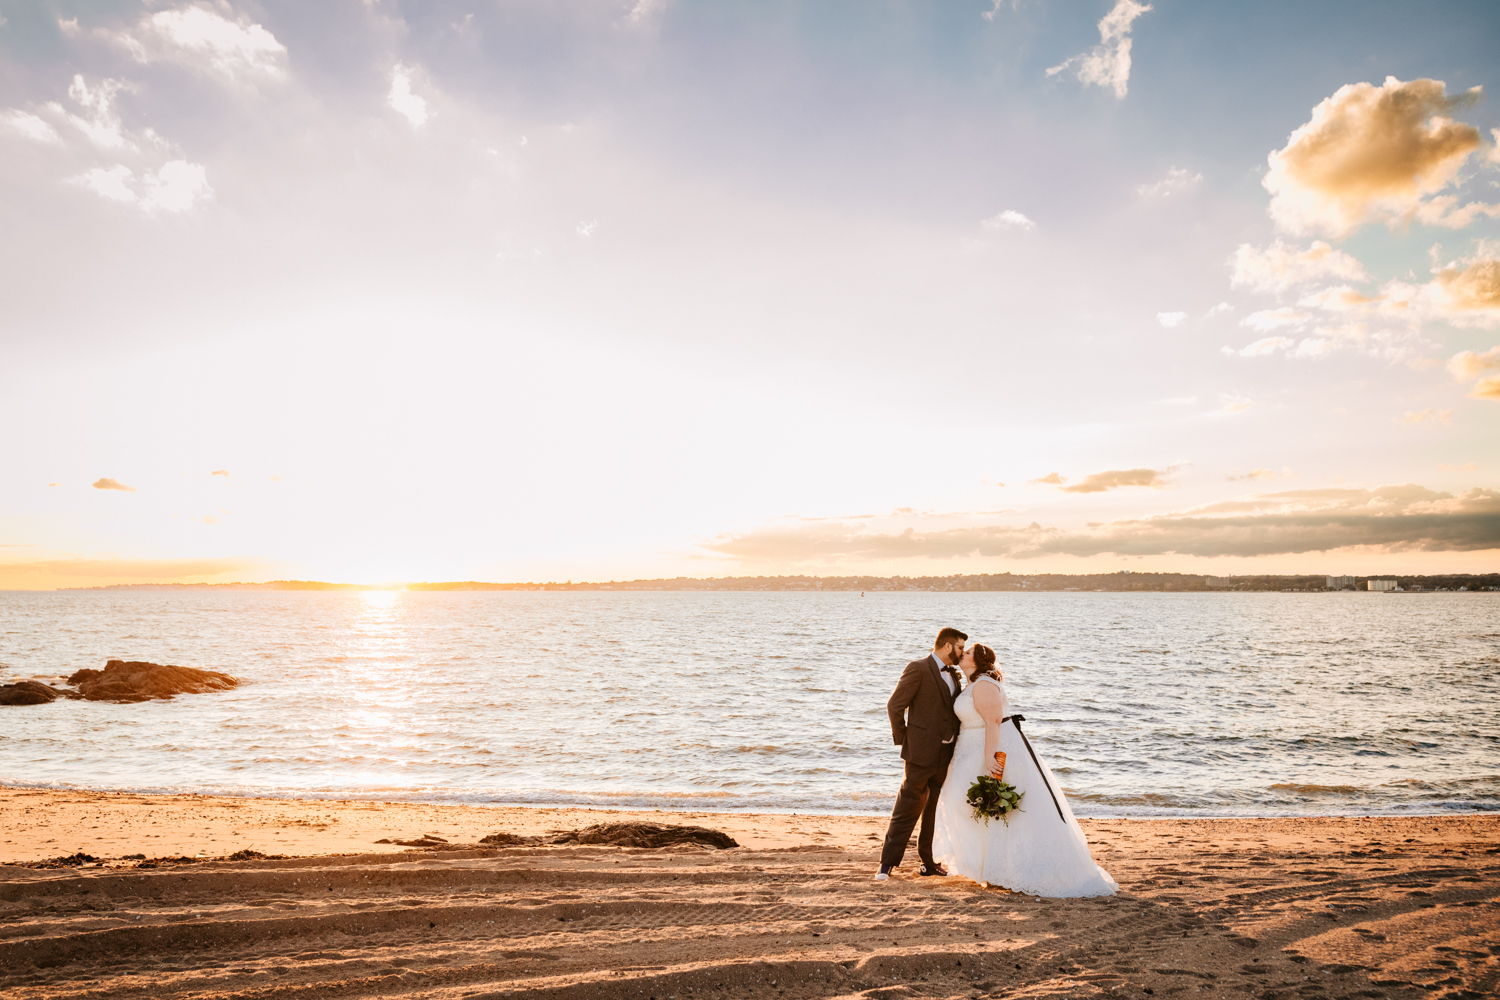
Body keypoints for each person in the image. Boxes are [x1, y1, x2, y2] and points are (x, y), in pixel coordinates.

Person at [932, 644, 1117, 897]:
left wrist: (989, 757)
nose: (961, 655)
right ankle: (989, 867)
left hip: (988, 750)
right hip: (971, 751)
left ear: (977, 662)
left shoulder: (985, 684)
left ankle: (1004, 869)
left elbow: (994, 721)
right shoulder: (976, 683)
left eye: (966, 653)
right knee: (979, 808)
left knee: (999, 810)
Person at [876, 627, 968, 880]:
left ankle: (928, 862)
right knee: (907, 807)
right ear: (948, 646)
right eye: (960, 648)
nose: (962, 653)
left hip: (946, 754)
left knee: (933, 811)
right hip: (920, 754)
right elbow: (894, 706)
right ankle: (886, 864)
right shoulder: (918, 668)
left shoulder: (954, 674)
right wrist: (906, 741)